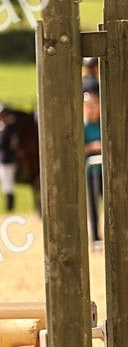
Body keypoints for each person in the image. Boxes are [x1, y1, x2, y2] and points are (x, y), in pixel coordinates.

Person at [0, 103, 21, 213]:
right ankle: (8, 207)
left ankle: (9, 208)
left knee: (8, 185)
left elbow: (0, 143)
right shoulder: (2, 127)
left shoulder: (7, 127)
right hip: (2, 158)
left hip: (6, 159)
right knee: (5, 184)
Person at [83, 89, 103, 247]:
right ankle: (95, 237)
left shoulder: (103, 125)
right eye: (88, 106)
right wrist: (93, 147)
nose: (92, 108)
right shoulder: (83, 127)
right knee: (93, 205)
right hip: (91, 172)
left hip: (106, 171)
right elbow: (80, 147)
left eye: (94, 105)